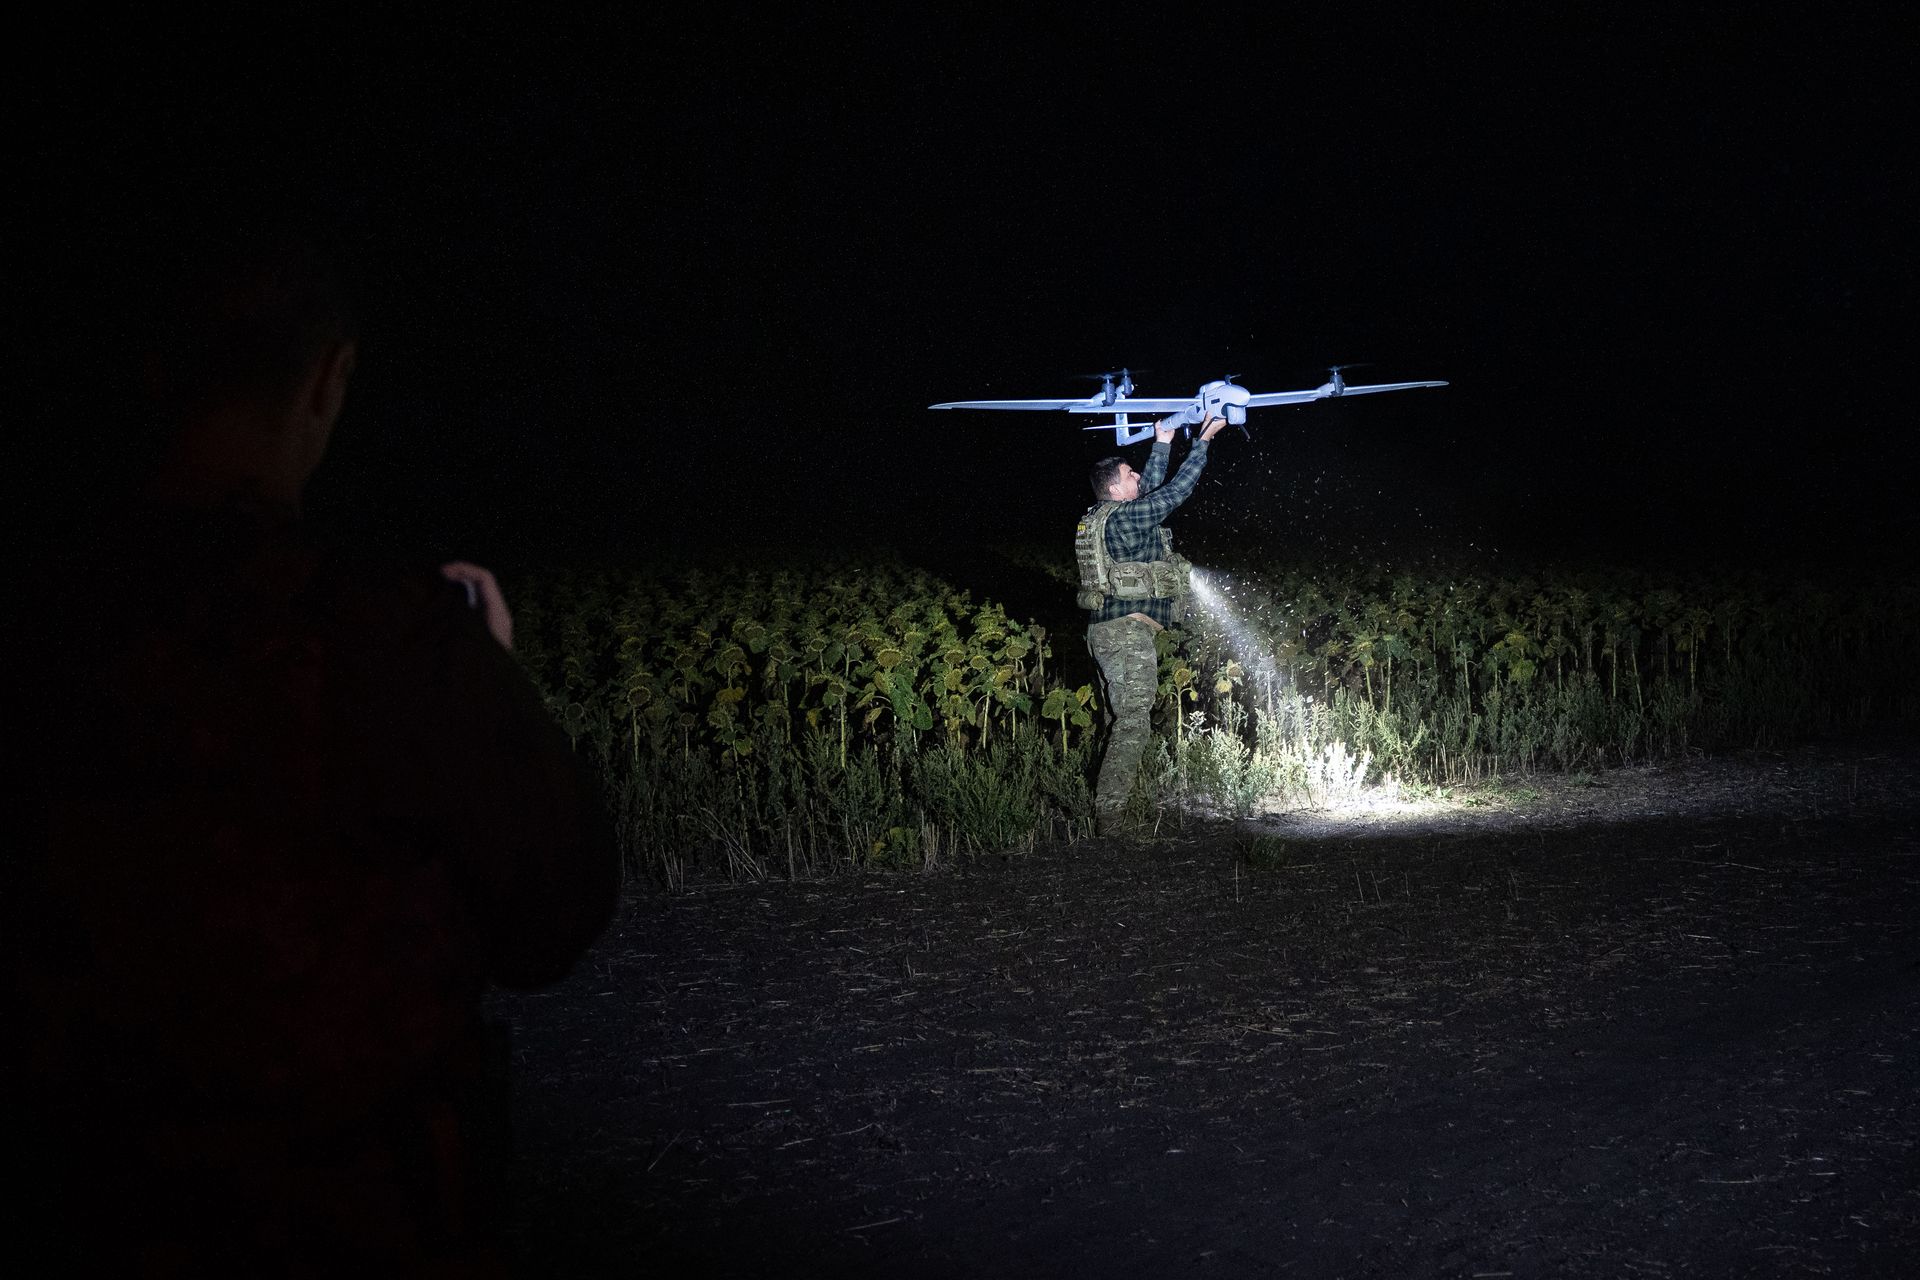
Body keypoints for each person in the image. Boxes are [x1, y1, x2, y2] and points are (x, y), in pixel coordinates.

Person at [10, 217, 621, 1275]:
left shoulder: (48, 624)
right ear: (329, 382)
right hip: (354, 1213)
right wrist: (493, 673)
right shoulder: (383, 636)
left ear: (153, 373)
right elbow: (556, 906)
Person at [1077, 410, 1228, 837]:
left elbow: (1154, 492)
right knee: (1132, 721)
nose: (1137, 474)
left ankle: (1110, 806)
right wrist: (1204, 442)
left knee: (1120, 719)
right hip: (1124, 633)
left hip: (1112, 630)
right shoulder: (1125, 518)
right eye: (1131, 472)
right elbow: (1174, 493)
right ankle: (1111, 818)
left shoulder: (1111, 516)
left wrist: (1162, 441)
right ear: (1114, 487)